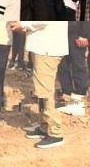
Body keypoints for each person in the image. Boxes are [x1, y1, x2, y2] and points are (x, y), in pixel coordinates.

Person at [11, 21, 68, 149]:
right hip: (44, 48)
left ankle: (55, 132)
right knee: (41, 90)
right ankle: (45, 126)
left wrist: (23, 25)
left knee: (45, 91)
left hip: (47, 49)